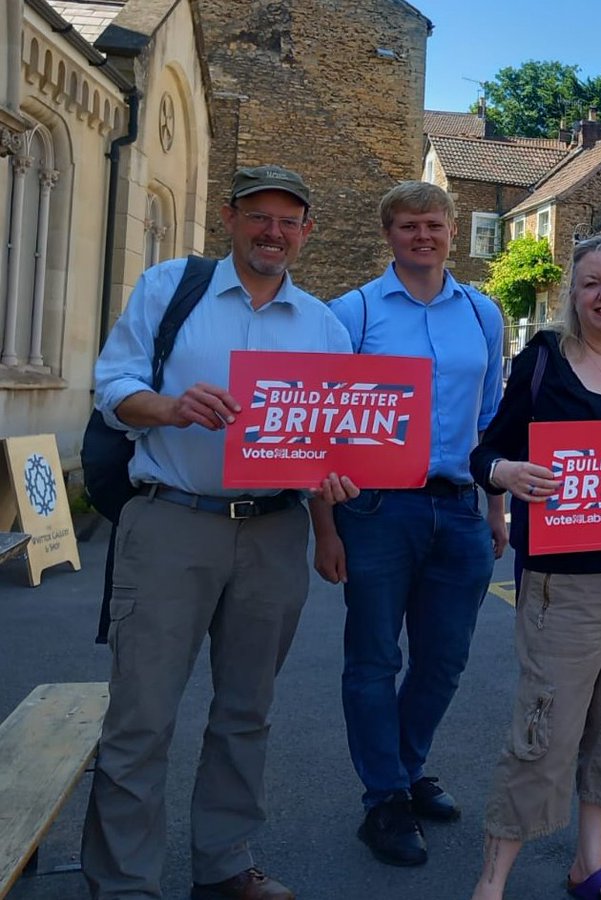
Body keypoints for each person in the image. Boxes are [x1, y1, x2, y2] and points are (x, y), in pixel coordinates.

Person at [83, 165, 356, 900]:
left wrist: (328, 516)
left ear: (305, 231)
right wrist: (170, 408)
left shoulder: (324, 326)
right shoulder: (174, 288)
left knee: (246, 712)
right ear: (230, 218)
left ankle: (225, 864)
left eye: (289, 220)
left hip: (274, 532)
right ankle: (124, 883)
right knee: (141, 715)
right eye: (259, 216)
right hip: (173, 519)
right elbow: (111, 386)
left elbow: (333, 442)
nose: (274, 232)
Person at [467, 235, 601, 900]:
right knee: (547, 723)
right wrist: (505, 472)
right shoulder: (544, 363)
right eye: (591, 283)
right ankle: (492, 879)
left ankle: (590, 861)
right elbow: (487, 453)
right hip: (564, 582)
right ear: (574, 294)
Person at [309, 181, 507, 868]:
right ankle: (386, 799)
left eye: (434, 224)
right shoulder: (352, 314)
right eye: (407, 226)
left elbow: (490, 422)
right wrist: (324, 526)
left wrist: (495, 508)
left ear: (453, 231)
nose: (423, 236)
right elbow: (319, 425)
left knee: (445, 659)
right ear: (388, 234)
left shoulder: (484, 314)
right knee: (373, 658)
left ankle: (404, 765)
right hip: (375, 508)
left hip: (458, 507)